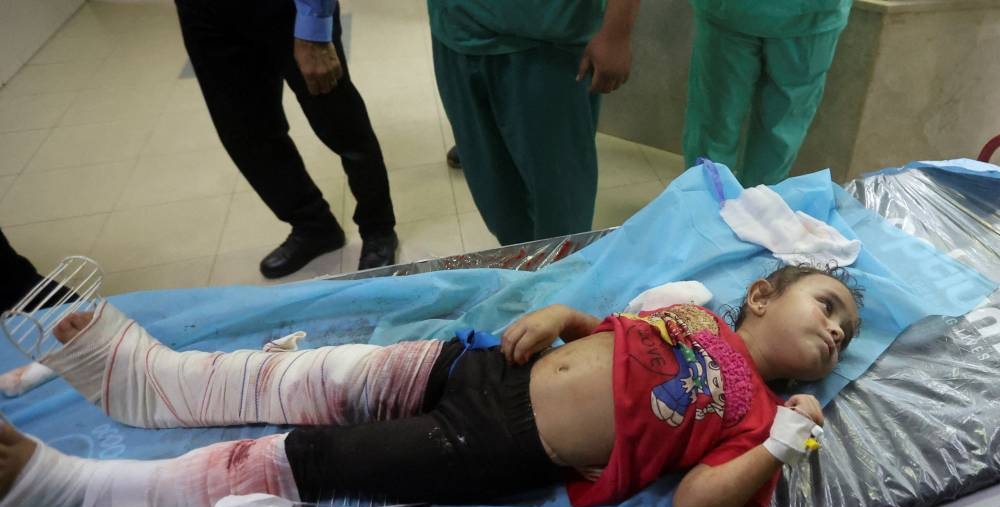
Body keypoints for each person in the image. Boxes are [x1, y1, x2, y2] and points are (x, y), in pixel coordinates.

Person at [0, 265, 862, 507]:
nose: (835, 329)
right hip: (485, 366)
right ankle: (162, 385)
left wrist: (784, 444)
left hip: (498, 440)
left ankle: (83, 498)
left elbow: (694, 504)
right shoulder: (697, 312)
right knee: (330, 375)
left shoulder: (760, 418)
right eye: (827, 304)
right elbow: (620, 336)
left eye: (846, 332)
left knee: (313, 459)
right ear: (759, 294)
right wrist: (568, 318)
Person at [174, 0, 399, 277]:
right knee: (245, 132)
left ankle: (378, 229)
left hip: (285, 10)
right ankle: (314, 226)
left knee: (341, 125)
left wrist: (313, 28)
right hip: (203, 14)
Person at [429, 0, 640, 245]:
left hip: (546, 42)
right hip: (454, 31)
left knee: (560, 212)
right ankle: (526, 271)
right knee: (499, 203)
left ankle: (560, 277)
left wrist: (616, 30)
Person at [682, 0, 852, 187]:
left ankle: (704, 205)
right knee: (782, 131)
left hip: (732, 11)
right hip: (810, 16)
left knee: (715, 121)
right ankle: (757, 207)